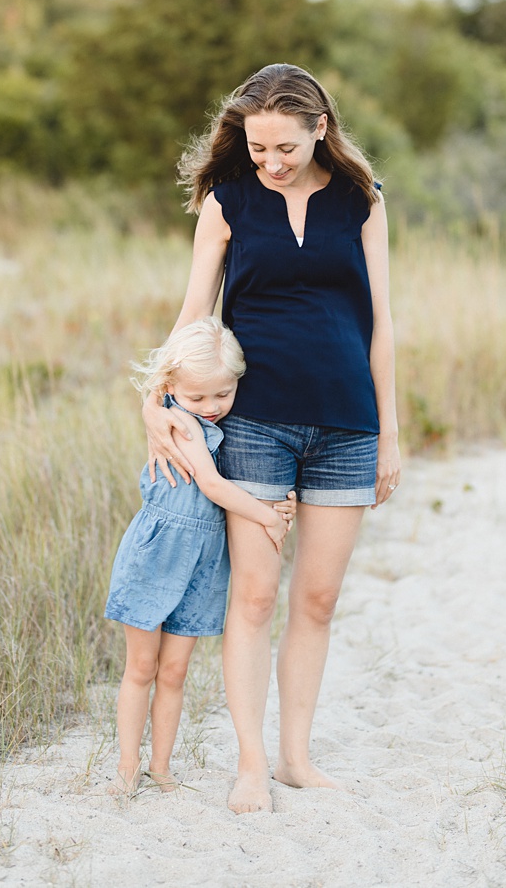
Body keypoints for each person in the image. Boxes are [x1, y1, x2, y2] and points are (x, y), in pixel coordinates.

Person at [144, 63, 400, 815]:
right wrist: (153, 399)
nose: (271, 162)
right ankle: (251, 764)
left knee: (316, 599)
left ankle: (295, 757)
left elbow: (382, 324)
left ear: (320, 127)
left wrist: (391, 432)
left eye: (284, 146)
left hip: (348, 422)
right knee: (255, 598)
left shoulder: (362, 201)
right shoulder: (227, 202)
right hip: (254, 422)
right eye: (258, 148)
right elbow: (195, 315)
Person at [105, 317, 295, 797]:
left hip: (202, 565)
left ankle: (161, 767)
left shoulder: (220, 425)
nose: (211, 408)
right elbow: (212, 485)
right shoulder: (179, 424)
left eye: (222, 395)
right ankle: (127, 768)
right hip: (159, 556)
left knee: (174, 672)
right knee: (142, 669)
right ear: (170, 388)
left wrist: (277, 504)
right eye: (198, 397)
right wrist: (269, 518)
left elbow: (235, 485)